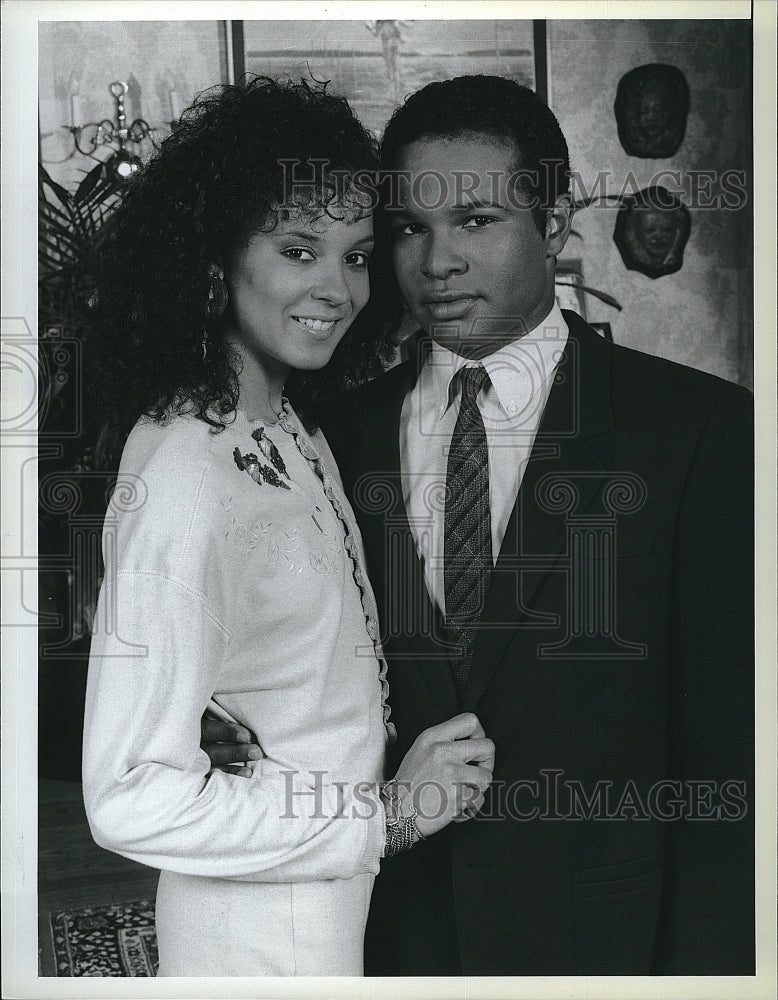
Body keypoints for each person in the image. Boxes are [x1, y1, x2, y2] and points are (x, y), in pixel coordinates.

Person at [208, 75, 754, 976]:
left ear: (555, 221)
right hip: (386, 933)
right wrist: (211, 706)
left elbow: (729, 763)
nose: (435, 264)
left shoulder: (698, 432)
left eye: (474, 222)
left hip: (603, 944)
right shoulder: (327, 434)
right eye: (409, 231)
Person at [82, 76, 494, 977]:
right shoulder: (187, 473)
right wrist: (385, 816)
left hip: (332, 917)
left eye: (354, 256)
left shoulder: (289, 426)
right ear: (214, 261)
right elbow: (127, 798)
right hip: (253, 942)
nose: (337, 289)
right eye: (297, 250)